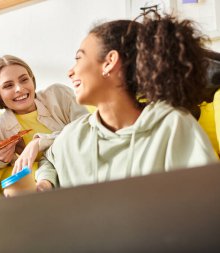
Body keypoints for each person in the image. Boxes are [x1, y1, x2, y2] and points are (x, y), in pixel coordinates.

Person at [35, 13, 219, 190]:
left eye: (79, 58)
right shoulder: (72, 136)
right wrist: (44, 182)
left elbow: (207, 203)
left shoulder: (172, 126)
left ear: (109, 62)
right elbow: (49, 159)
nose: (70, 72)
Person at [0, 55, 88, 179]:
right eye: (8, 85)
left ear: (32, 80)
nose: (19, 89)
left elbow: (88, 129)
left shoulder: (59, 95)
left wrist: (38, 143)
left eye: (24, 80)